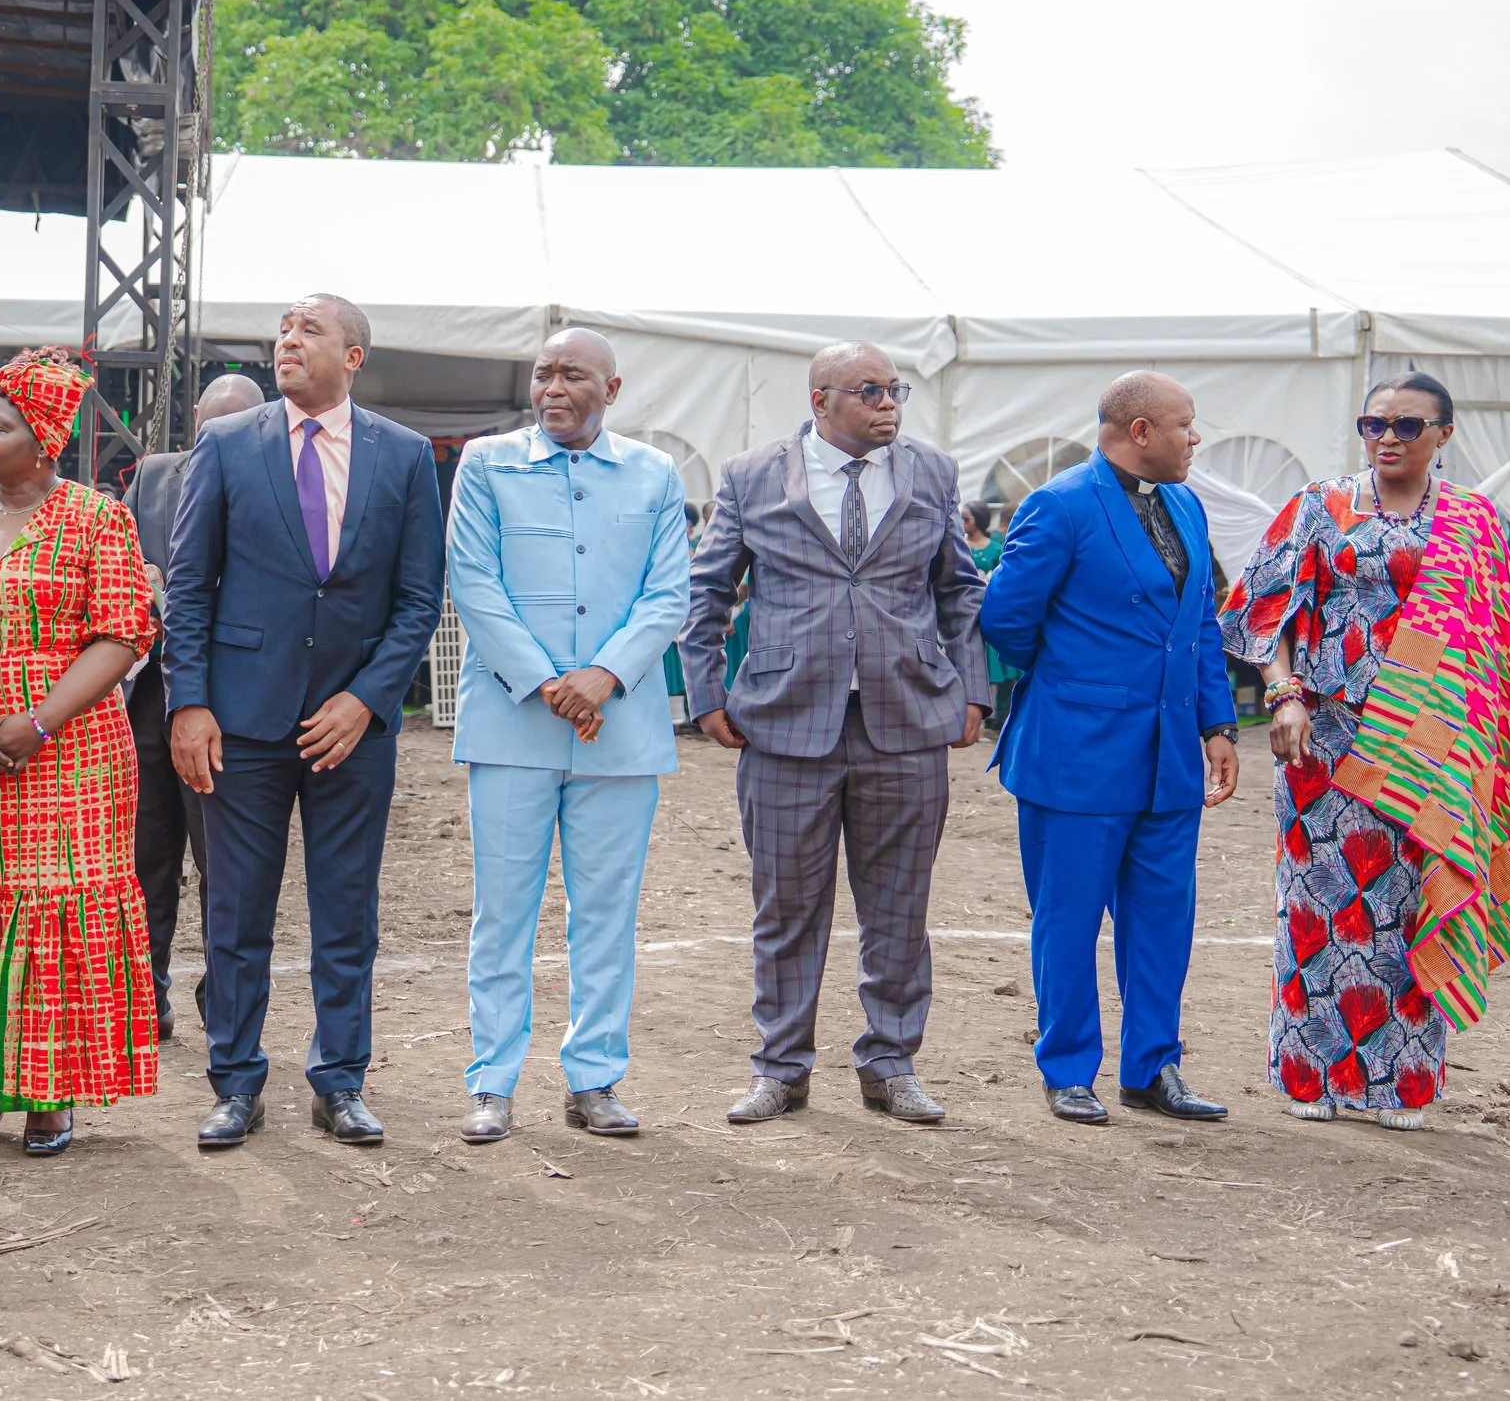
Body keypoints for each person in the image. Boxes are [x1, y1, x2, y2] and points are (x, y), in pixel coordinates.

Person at [1218, 372, 1510, 1131]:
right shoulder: (1320, 506)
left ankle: (1403, 1083)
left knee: (1411, 903)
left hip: (1434, 749)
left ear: (1445, 435)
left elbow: (1501, 647)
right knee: (1320, 907)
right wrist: (1284, 693)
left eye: (1406, 424)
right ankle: (1312, 1075)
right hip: (1327, 743)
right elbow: (1261, 608)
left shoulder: (1474, 523)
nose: (1388, 437)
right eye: (1374, 424)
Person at [681, 341, 989, 1128]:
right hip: (784, 725)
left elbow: (959, 591)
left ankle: (891, 1063)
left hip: (909, 721)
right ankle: (781, 1067)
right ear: (821, 399)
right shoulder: (753, 475)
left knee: (899, 908)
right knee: (786, 908)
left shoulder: (931, 472)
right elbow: (707, 588)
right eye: (871, 391)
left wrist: (972, 691)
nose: (890, 404)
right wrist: (706, 692)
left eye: (896, 390)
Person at [165, 293, 445, 1150]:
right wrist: (190, 703)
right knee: (238, 909)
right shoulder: (225, 445)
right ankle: (236, 1079)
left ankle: (340, 1080)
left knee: (345, 910)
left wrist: (366, 699)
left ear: (353, 355)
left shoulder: (403, 456)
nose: (288, 341)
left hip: (351, 730)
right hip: (241, 723)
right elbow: (187, 585)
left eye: (309, 330)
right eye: (282, 331)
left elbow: (417, 599)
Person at [0, 347, 156, 1156]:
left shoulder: (98, 518)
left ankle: (53, 1091)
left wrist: (39, 720)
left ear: (41, 441)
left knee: (60, 907)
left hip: (74, 752)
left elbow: (122, 633)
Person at [444, 329, 690, 1144]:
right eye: (544, 372)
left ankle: (595, 1077)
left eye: (572, 374)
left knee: (606, 913)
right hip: (514, 721)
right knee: (503, 911)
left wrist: (604, 677)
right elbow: (472, 580)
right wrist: (549, 681)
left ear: (611, 390)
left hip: (619, 728)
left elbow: (667, 596)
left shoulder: (653, 473)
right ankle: (493, 1081)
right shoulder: (486, 464)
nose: (553, 386)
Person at [981, 371, 1238, 1126]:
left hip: (1168, 759)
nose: (1196, 439)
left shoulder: (1187, 505)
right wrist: (1074, 681)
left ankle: (1153, 1068)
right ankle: (1068, 1069)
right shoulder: (1058, 505)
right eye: (1185, 426)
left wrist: (1216, 726)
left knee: (1164, 916)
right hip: (1076, 753)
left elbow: (1199, 628)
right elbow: (1006, 619)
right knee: (1068, 918)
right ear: (1140, 432)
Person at [121, 371, 266, 1042]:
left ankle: (223, 998)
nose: (220, 439)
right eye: (211, 425)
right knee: (145, 855)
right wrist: (139, 584)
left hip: (230, 700)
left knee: (223, 861)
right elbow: (119, 564)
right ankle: (143, 995)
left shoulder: (277, 481)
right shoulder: (153, 475)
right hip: (149, 692)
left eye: (235, 426)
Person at [961, 501, 1020, 731]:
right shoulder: (957, 546)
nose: (963, 523)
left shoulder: (996, 549)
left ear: (980, 519)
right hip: (965, 616)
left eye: (967, 518)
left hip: (991, 613)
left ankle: (1001, 713)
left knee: (1001, 665)